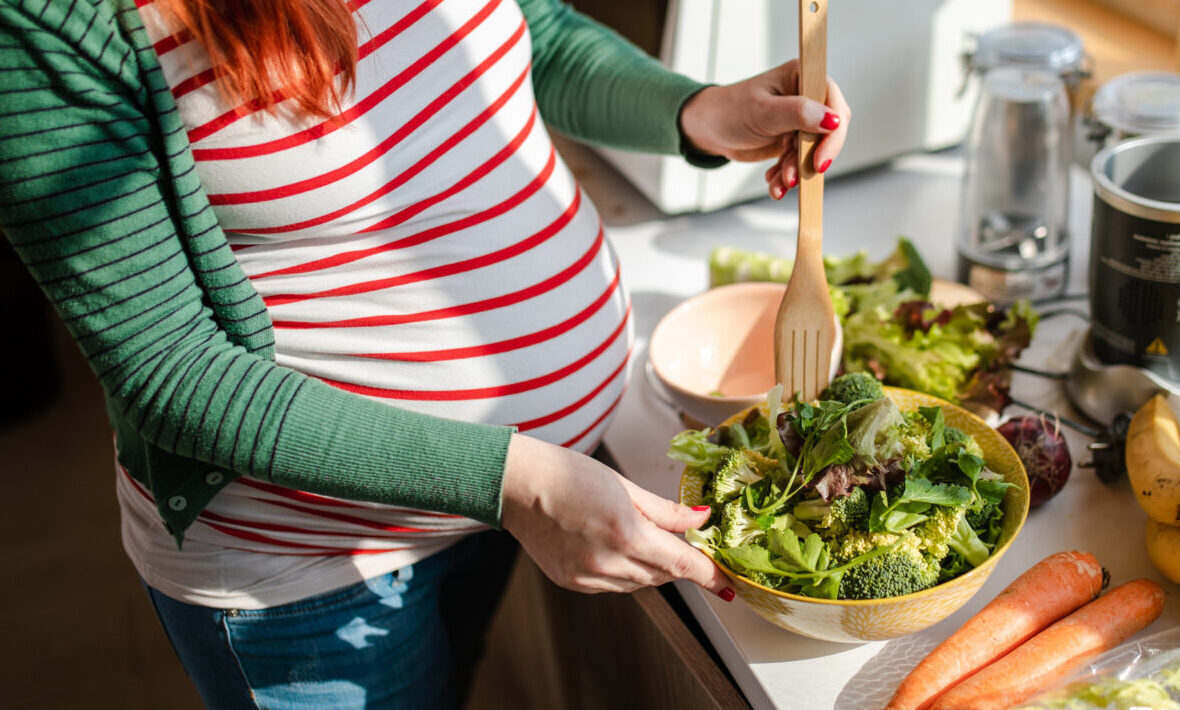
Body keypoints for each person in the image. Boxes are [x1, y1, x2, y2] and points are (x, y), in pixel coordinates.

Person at [0, 0, 850, 706]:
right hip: (315, 564)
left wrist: (692, 110)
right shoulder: (47, 21)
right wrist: (511, 481)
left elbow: (530, 35)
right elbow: (173, 375)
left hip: (515, 489)